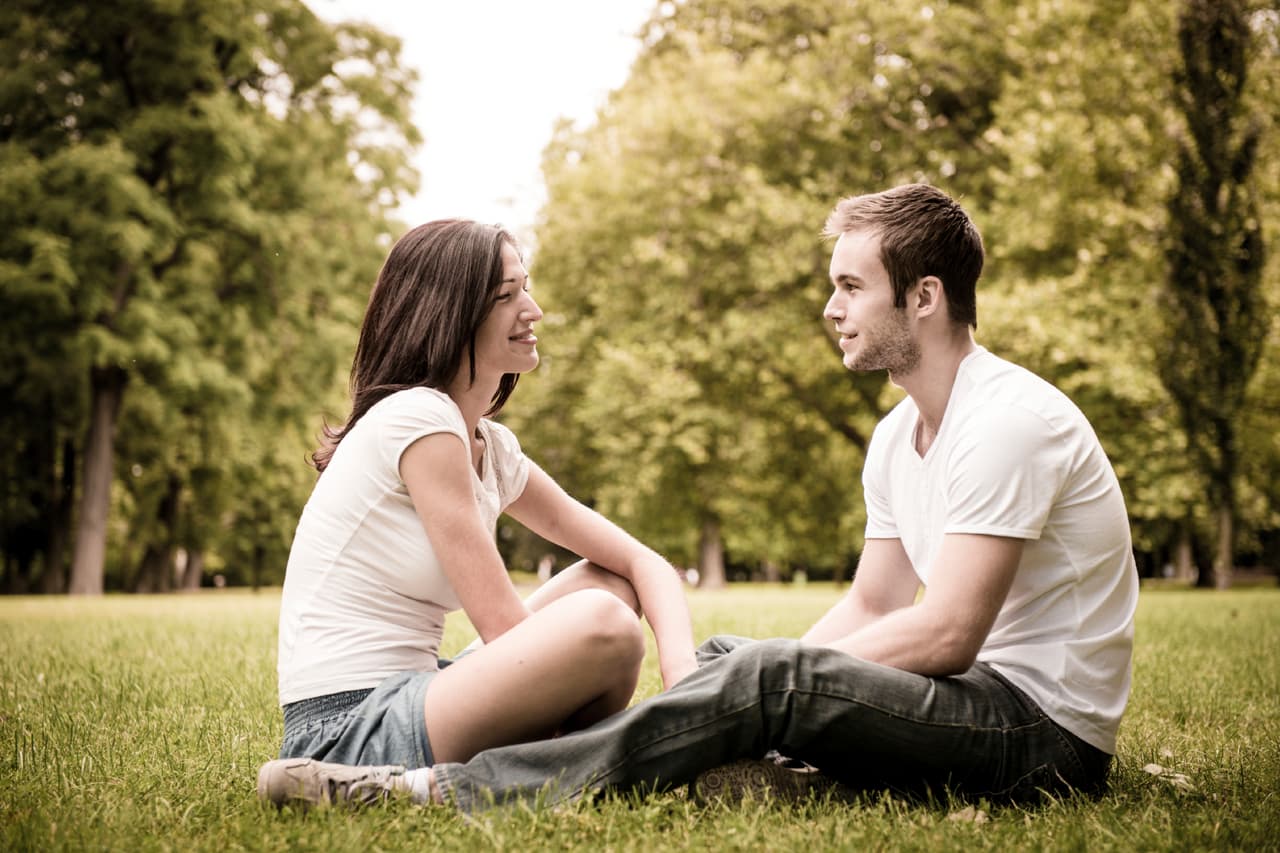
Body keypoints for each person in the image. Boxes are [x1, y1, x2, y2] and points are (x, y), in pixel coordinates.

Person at [258, 185, 1138, 811]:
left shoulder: (1009, 420)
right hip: (369, 705)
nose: (829, 307)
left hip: (1034, 730)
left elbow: (948, 632)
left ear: (926, 296)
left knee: (756, 675)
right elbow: (874, 602)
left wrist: (772, 689)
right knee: (731, 659)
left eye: (849, 285)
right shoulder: (895, 437)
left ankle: (438, 790)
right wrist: (730, 688)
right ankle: (709, 745)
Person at [256, 220, 697, 805]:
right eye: (506, 296)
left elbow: (641, 562)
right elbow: (505, 630)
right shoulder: (421, 419)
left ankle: (435, 785)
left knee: (608, 583)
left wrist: (685, 687)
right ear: (451, 314)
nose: (533, 310)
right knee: (605, 623)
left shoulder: (488, 444)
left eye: (527, 287)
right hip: (345, 728)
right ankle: (435, 787)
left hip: (417, 692)